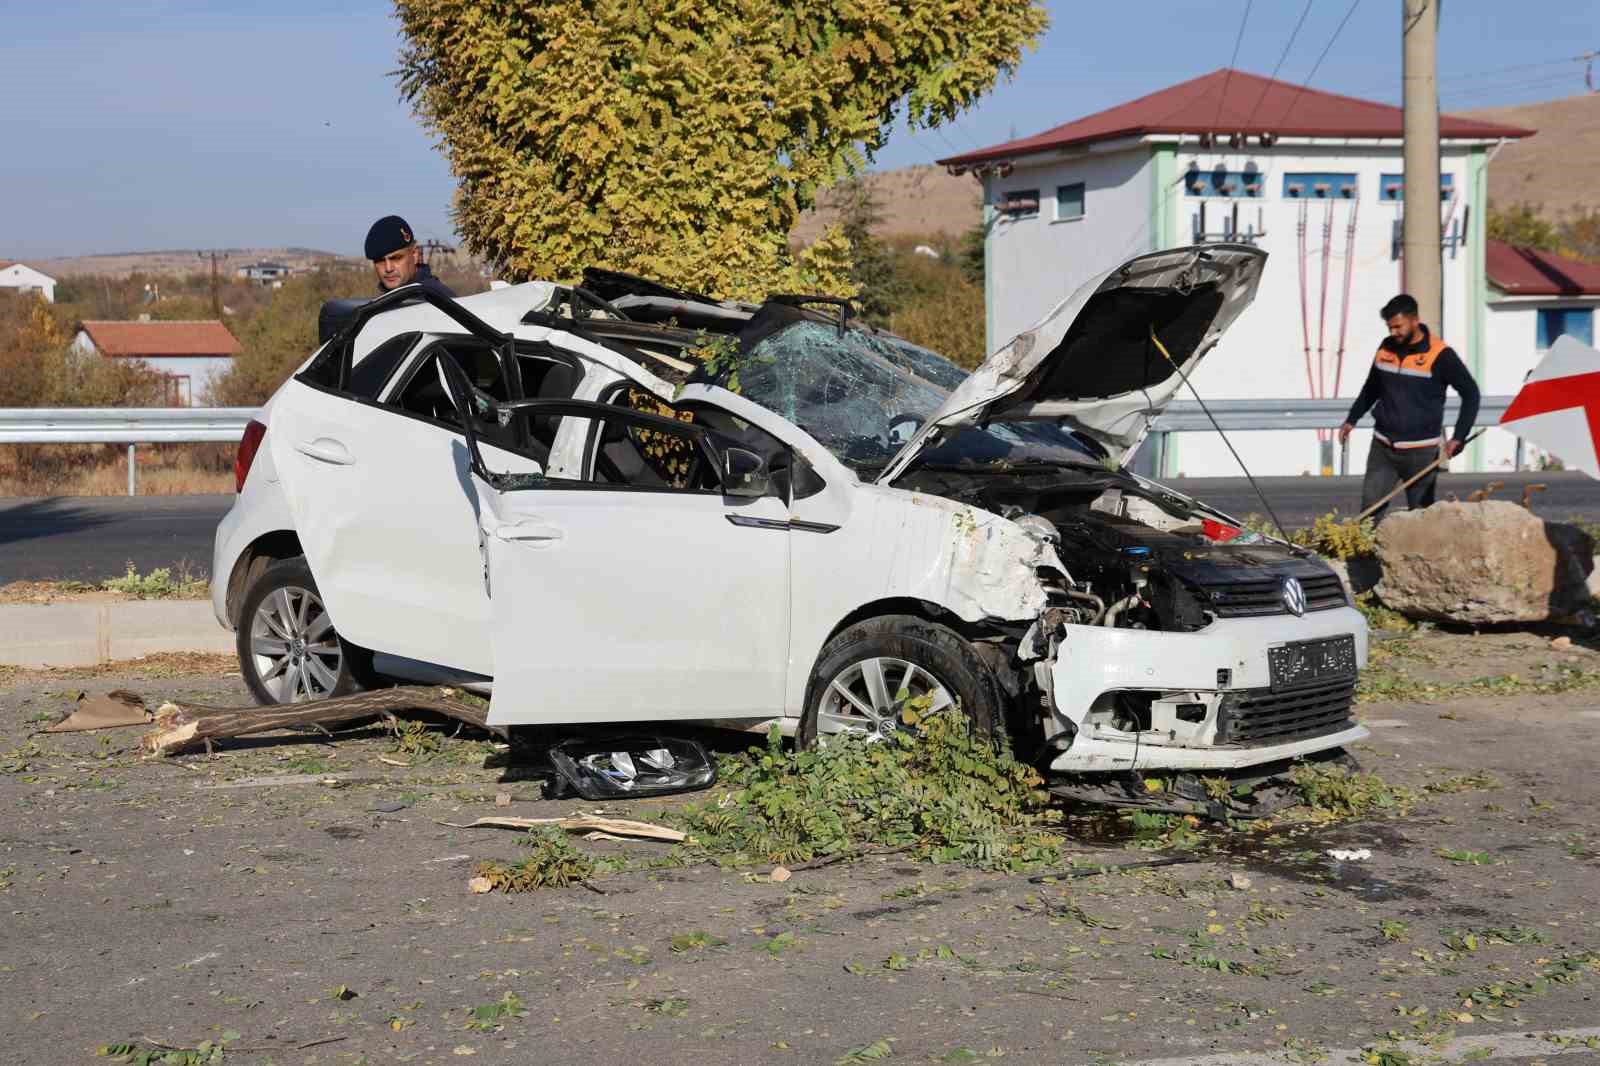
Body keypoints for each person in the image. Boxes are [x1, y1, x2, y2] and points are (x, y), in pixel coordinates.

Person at [1338, 293, 1479, 522]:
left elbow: (1471, 393)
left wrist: (1459, 436)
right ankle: (1365, 558)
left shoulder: (1440, 354)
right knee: (1368, 514)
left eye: (1398, 327)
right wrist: (1351, 419)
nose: (1393, 333)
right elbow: (1372, 387)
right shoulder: (1386, 348)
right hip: (1383, 447)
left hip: (1421, 452)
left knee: (1422, 519)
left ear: (1414, 320)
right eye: (1389, 327)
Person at [364, 215, 456, 298]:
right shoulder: (380, 302)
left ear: (415, 254)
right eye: (380, 261)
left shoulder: (440, 300)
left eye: (396, 258)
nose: (388, 268)